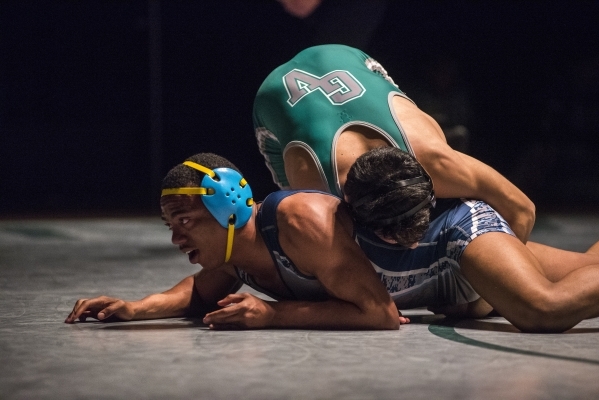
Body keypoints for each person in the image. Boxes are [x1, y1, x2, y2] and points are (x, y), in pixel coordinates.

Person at [65, 152, 599, 333]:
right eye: (170, 225)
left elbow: (380, 312)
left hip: (452, 240)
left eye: (184, 219)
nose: (177, 236)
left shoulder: (295, 222)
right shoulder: (236, 256)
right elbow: (199, 292)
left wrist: (275, 317)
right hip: (449, 288)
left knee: (543, 310)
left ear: (226, 207)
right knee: (581, 268)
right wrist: (136, 308)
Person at [253, 44, 536, 243]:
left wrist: (479, 301)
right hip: (275, 97)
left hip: (347, 59)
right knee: (322, 241)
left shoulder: (435, 157)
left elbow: (523, 210)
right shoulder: (316, 187)